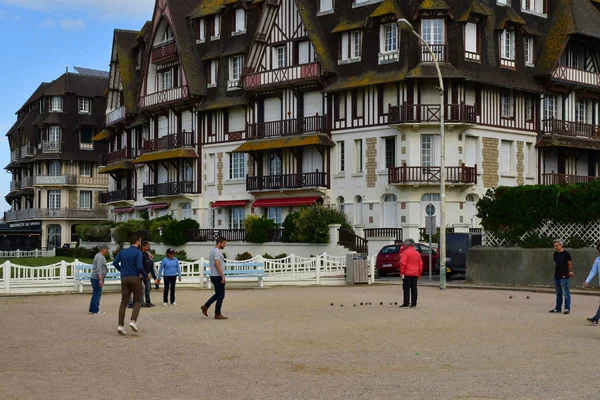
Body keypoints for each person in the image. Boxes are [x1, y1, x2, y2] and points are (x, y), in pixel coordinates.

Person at [113, 234, 148, 335]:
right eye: (140, 241)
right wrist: (145, 275)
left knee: (124, 302)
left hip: (124, 277)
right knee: (138, 300)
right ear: (137, 241)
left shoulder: (123, 252)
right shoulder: (138, 252)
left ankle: (120, 325)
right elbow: (139, 266)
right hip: (135, 277)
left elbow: (115, 263)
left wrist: (122, 270)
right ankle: (133, 321)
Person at [201, 237, 228, 319]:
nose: (224, 245)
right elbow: (217, 264)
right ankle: (217, 313)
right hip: (217, 276)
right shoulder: (216, 252)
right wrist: (222, 276)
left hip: (214, 275)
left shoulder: (213, 251)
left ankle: (206, 306)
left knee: (218, 294)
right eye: (223, 243)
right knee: (221, 295)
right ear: (219, 243)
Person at [549, 239, 574, 314]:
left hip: (564, 275)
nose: (555, 247)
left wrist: (568, 272)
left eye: (556, 246)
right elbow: (556, 263)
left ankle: (567, 308)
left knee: (565, 292)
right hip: (557, 275)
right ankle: (558, 308)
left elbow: (569, 264)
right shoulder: (555, 254)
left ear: (561, 245)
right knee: (558, 292)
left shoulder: (566, 254)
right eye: (554, 246)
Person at [399, 238, 423, 309]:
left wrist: (402, 273)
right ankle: (413, 304)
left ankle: (406, 303)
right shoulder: (417, 253)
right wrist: (419, 274)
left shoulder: (405, 253)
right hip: (415, 273)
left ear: (406, 245)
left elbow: (403, 263)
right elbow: (420, 265)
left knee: (406, 288)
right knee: (414, 289)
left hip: (407, 273)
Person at [89, 244, 109, 315]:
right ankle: (95, 310)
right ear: (103, 249)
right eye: (106, 249)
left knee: (95, 294)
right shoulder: (100, 257)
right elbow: (99, 268)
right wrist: (100, 279)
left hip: (95, 277)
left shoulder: (98, 256)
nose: (107, 250)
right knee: (97, 294)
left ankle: (92, 308)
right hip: (97, 278)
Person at [583, 243, 600, 325]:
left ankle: (596, 319)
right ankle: (596, 319)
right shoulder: (597, 260)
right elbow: (593, 271)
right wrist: (587, 280)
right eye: (599, 250)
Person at [141, 241, 157, 307]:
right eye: (147, 247)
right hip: (141, 274)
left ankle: (148, 302)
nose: (148, 248)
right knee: (141, 289)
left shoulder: (147, 254)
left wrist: (154, 276)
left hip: (147, 274)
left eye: (148, 247)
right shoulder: (140, 254)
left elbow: (150, 265)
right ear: (143, 246)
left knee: (148, 288)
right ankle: (141, 302)